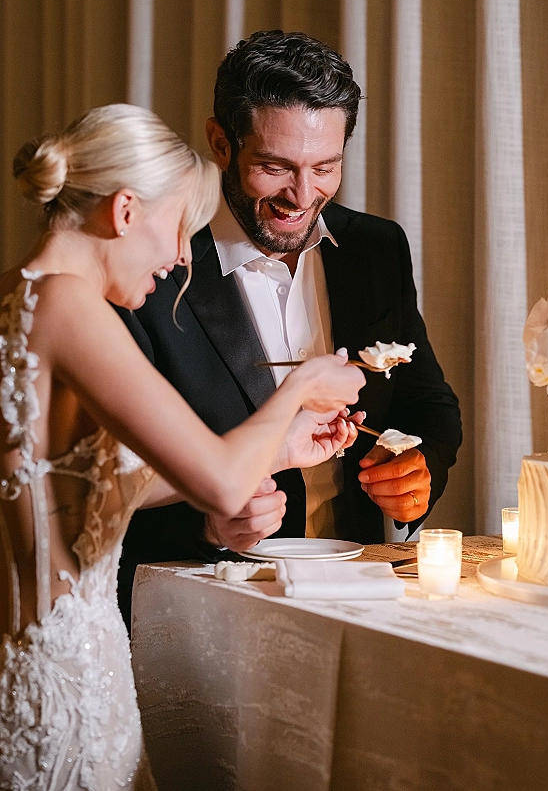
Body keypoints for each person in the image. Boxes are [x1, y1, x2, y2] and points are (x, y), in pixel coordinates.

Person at [0, 103, 365, 790]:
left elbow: (67, 490)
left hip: (46, 669)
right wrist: (304, 386)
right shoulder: (68, 304)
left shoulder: (16, 296)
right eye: (177, 230)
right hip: (61, 684)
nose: (176, 259)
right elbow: (224, 487)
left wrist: (281, 449)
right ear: (126, 211)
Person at [118, 30, 462, 620]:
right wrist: (207, 523)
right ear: (220, 142)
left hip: (355, 597)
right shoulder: (152, 264)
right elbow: (101, 476)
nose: (303, 196)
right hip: (199, 612)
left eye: (325, 167)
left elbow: (426, 403)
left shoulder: (376, 249)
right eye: (275, 168)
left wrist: (416, 470)